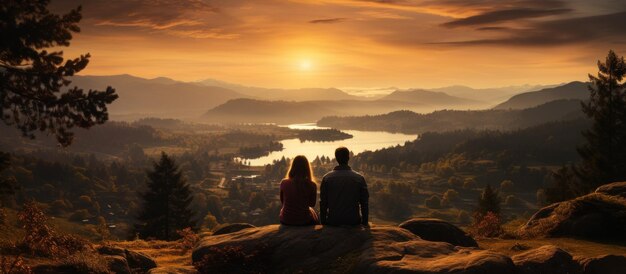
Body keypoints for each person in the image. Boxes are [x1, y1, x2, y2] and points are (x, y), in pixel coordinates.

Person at [320, 147, 369, 226]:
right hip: (353, 221)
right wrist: (365, 223)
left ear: (336, 158)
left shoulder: (327, 178)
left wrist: (323, 222)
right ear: (348, 158)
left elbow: (323, 203)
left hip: (333, 221)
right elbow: (364, 202)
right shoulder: (359, 178)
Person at [279, 155, 319, 226]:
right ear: (307, 168)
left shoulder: (284, 182)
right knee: (312, 212)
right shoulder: (312, 185)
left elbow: (283, 202)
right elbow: (312, 204)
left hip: (285, 220)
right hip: (304, 221)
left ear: (293, 167)